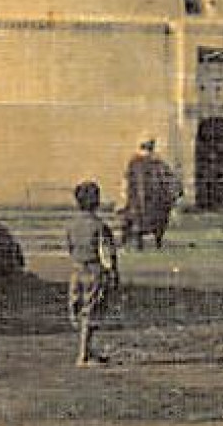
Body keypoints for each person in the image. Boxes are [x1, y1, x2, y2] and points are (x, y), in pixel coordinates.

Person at [65, 180, 119, 367]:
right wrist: (113, 272)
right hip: (94, 270)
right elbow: (106, 253)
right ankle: (83, 356)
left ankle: (88, 350)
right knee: (91, 311)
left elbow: (70, 248)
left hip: (76, 269)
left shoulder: (71, 225)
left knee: (78, 309)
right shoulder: (99, 226)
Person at [121, 137, 182, 250]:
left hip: (144, 200)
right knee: (150, 220)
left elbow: (127, 180)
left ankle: (141, 243)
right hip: (149, 200)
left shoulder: (142, 163)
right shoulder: (150, 163)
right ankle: (152, 242)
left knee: (139, 220)